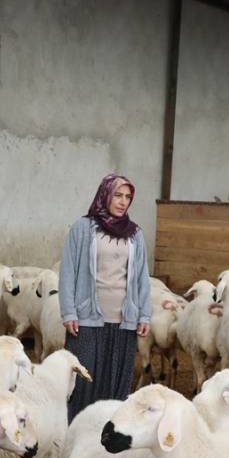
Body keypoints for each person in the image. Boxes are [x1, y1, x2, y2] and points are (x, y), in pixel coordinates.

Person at [58, 172, 151, 423]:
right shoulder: (83, 228)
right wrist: (69, 311)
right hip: (87, 319)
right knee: (83, 383)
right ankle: (74, 434)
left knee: (115, 384)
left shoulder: (135, 235)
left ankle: (105, 441)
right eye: (118, 195)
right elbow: (68, 271)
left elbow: (142, 276)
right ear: (105, 195)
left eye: (128, 197)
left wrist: (144, 313)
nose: (123, 202)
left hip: (124, 319)